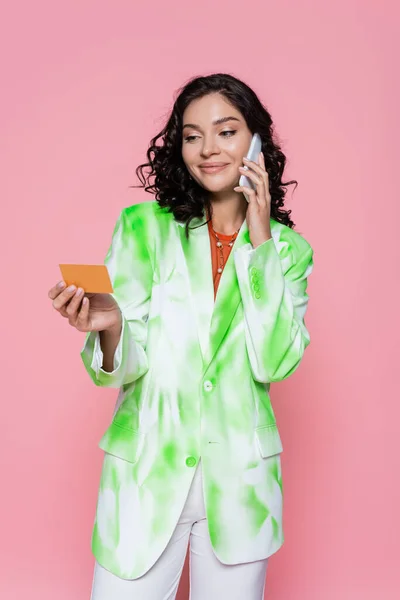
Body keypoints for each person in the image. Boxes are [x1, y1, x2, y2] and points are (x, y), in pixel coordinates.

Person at [48, 73, 314, 600]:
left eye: (226, 131)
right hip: (146, 477)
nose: (208, 149)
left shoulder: (289, 251)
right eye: (192, 136)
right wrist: (113, 327)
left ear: (257, 140)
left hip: (240, 490)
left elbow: (275, 362)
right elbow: (124, 365)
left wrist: (260, 243)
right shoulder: (142, 227)